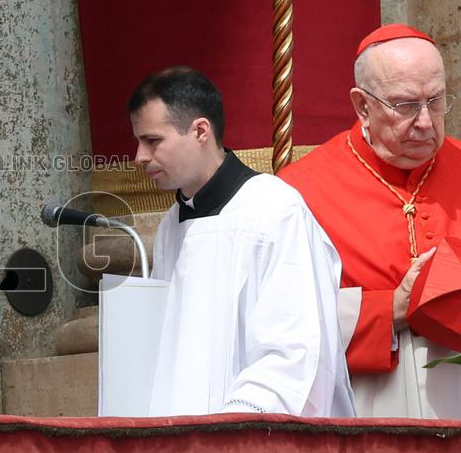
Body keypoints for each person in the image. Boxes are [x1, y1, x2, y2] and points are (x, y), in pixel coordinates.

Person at [129, 66, 354, 417]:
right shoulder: (171, 226)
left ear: (200, 130)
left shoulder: (275, 211)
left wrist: (231, 424)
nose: (140, 156)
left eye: (152, 140)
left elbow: (294, 351)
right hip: (182, 436)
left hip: (251, 438)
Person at [280, 24, 461, 418]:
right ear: (362, 105)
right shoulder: (297, 193)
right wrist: (390, 308)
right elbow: (281, 320)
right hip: (368, 401)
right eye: (406, 106)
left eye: (436, 100)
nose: (427, 122)